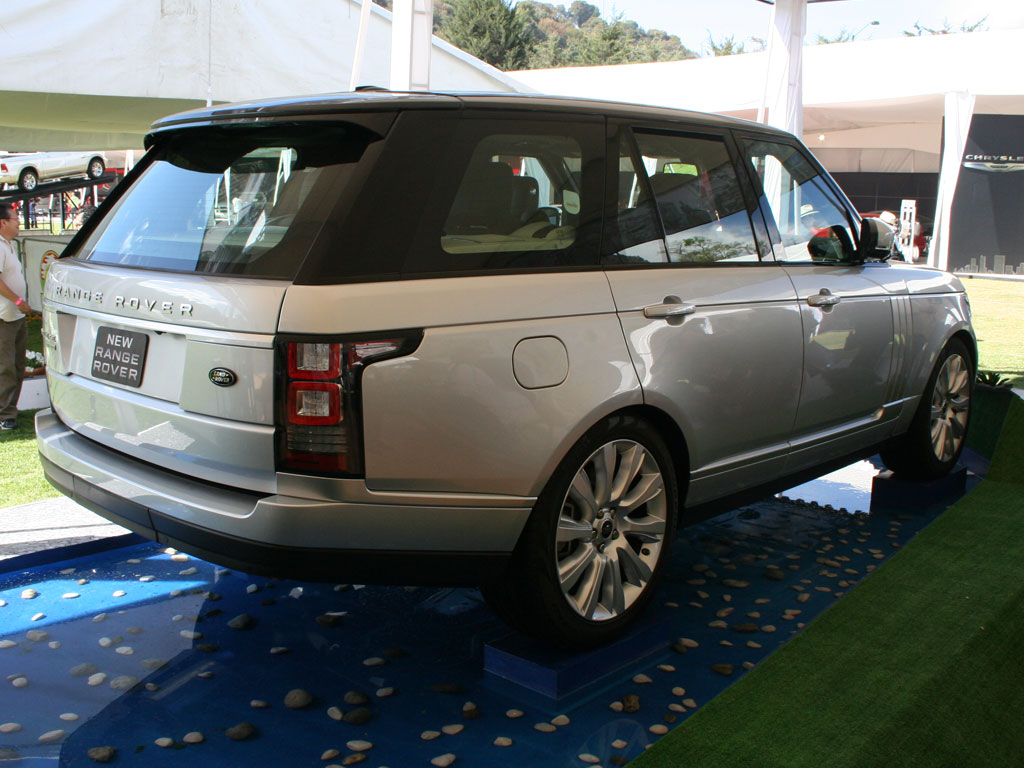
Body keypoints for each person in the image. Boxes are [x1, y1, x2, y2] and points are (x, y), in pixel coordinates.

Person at [0, 202, 28, 430]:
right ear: (3, 222)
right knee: (6, 367)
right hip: (4, 317)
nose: (19, 223)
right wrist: (18, 301)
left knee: (17, 365)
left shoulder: (8, 245)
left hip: (15, 316)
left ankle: (10, 410)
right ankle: (4, 415)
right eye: (16, 219)